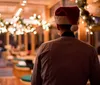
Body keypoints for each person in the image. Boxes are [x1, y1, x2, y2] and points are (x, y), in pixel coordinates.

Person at [31, 6, 100, 85]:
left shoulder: (44, 47)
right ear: (76, 25)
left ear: (57, 26)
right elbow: (97, 81)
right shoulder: (90, 50)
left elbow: (35, 82)